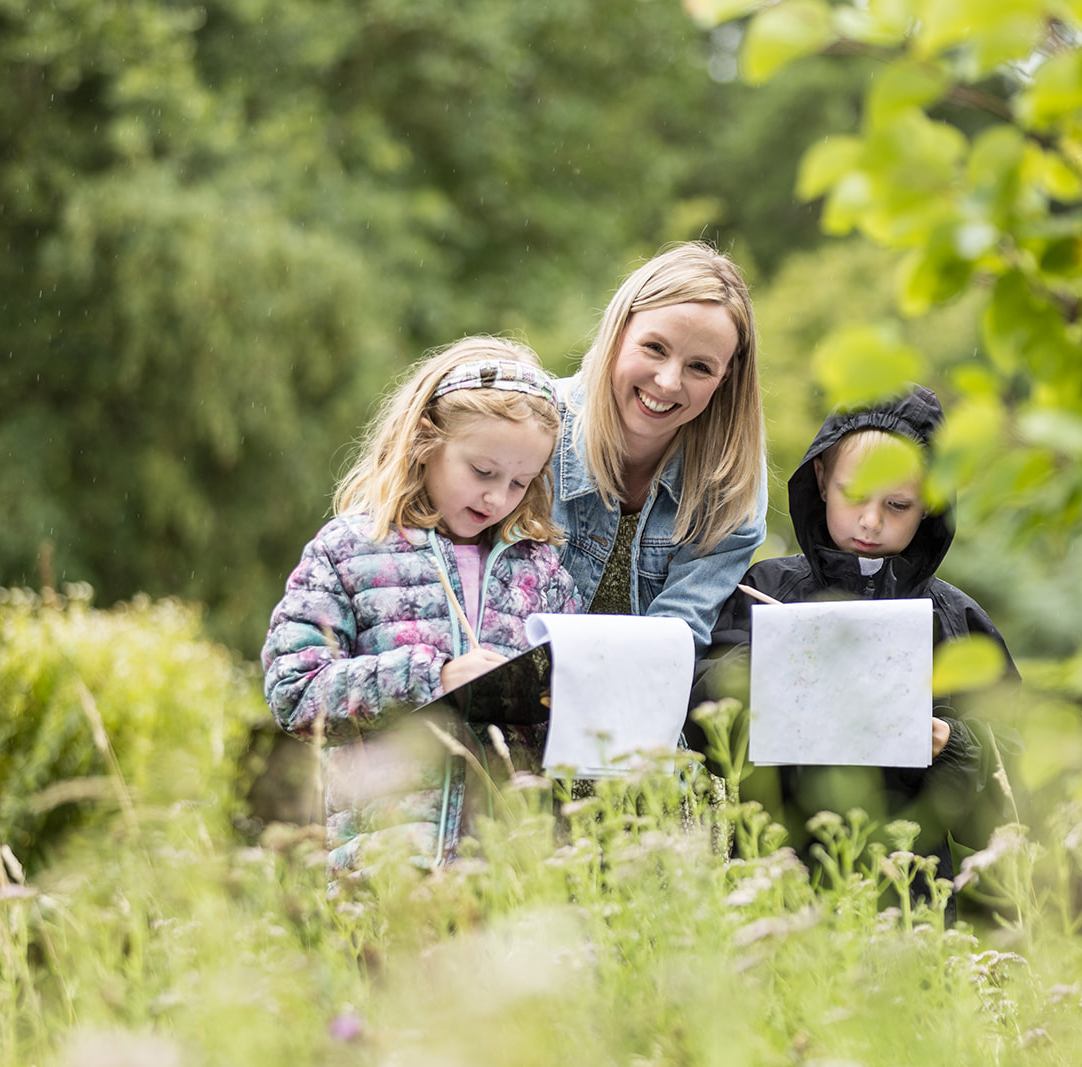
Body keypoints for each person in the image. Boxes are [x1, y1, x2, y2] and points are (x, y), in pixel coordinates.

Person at [692, 386, 1018, 907]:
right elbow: (699, 722)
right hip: (774, 886)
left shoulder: (956, 618)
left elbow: (1015, 783)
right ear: (821, 480)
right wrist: (781, 658)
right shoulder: (764, 590)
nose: (871, 521)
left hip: (912, 900)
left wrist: (951, 743)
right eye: (854, 495)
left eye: (897, 504)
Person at [261, 337, 579, 872]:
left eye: (520, 482)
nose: (497, 498)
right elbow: (295, 693)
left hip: (511, 876)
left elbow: (571, 709)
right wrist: (436, 678)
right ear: (425, 443)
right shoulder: (350, 550)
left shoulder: (541, 571)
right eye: (482, 472)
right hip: (384, 870)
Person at [552, 242, 767, 650]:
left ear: (725, 378)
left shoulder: (730, 484)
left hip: (640, 702)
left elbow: (675, 640)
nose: (668, 382)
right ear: (618, 334)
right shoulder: (535, 427)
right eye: (655, 348)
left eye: (700, 367)